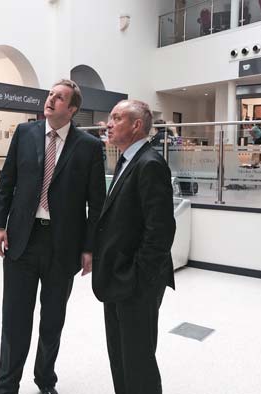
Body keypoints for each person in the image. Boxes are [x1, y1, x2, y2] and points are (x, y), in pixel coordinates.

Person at [0, 79, 106, 394]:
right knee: (15, 319)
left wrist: (89, 247)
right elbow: (7, 180)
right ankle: (6, 385)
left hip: (63, 246)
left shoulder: (89, 147)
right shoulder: (24, 133)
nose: (51, 100)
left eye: (60, 97)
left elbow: (96, 203)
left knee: (52, 320)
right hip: (21, 241)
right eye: (50, 95)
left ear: (72, 109)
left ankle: (45, 379)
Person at [92, 100, 176, 394]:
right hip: (117, 276)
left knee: (138, 360)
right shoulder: (126, 160)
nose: (108, 124)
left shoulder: (150, 164)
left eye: (116, 118)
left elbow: (161, 231)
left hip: (135, 282)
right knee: (120, 356)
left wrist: (138, 278)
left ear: (136, 125)